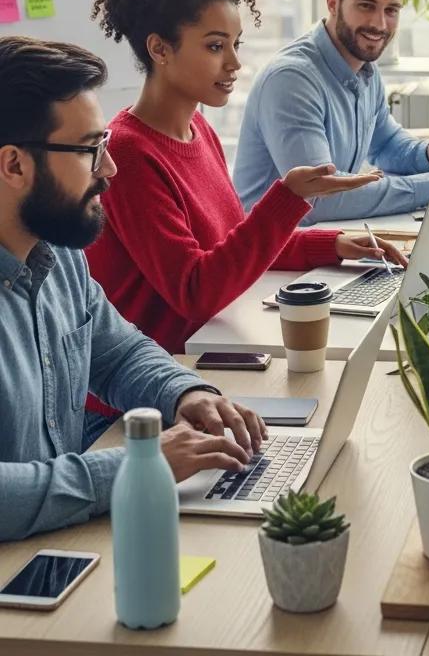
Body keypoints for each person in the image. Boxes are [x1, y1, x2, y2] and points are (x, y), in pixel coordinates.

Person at [85, 0, 405, 383]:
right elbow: (195, 290)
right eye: (215, 46)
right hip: (157, 388)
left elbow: (231, 241)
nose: (234, 63)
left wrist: (330, 245)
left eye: (236, 44)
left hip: (208, 358)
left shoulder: (198, 129)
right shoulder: (129, 155)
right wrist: (287, 198)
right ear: (159, 49)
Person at [0, 36, 266, 542]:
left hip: (62, 539)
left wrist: (186, 392)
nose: (109, 169)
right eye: (88, 151)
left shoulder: (59, 255)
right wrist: (139, 465)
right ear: (14, 165)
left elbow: (119, 353)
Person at [233, 0, 429, 222]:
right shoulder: (292, 80)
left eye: (391, 10)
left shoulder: (365, 69)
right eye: (366, 6)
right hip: (274, 257)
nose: (379, 24)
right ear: (333, 3)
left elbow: (384, 144)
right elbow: (321, 197)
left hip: (327, 240)